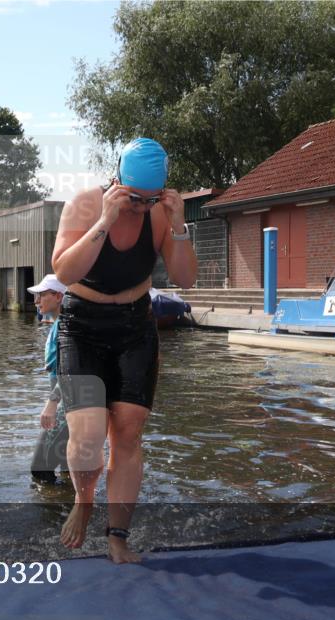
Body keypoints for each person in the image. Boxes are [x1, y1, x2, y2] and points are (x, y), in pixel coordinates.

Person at [52, 137, 197, 563]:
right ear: (116, 181)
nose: (139, 207)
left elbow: (185, 279)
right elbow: (63, 271)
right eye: (133, 198)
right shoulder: (83, 205)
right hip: (82, 326)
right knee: (88, 436)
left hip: (135, 326)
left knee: (128, 432)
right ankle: (84, 500)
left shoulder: (160, 216)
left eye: (148, 199)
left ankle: (118, 536)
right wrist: (106, 218)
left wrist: (178, 227)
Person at [27, 274, 71, 486]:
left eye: (41, 295)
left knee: (40, 468)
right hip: (69, 399)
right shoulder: (59, 325)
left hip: (71, 401)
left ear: (59, 296)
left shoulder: (66, 328)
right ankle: (70, 503)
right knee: (68, 466)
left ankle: (54, 512)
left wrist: (52, 402)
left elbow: (70, 371)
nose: (36, 301)